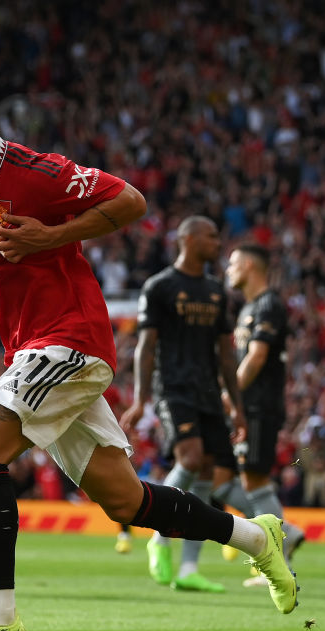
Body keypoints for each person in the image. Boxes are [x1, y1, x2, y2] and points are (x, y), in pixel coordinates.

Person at [0, 62, 298, 631]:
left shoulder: (34, 172)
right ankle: (255, 536)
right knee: (125, 500)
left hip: (71, 341)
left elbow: (130, 201)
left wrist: (49, 237)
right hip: (32, 348)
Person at [119, 216, 252, 594]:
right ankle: (160, 537)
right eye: (211, 236)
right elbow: (146, 346)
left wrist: (236, 405)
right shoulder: (160, 287)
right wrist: (142, 398)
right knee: (190, 460)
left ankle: (189, 568)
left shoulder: (216, 291)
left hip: (209, 391)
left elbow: (226, 355)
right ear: (188, 239)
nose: (217, 242)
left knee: (208, 473)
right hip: (174, 389)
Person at [225, 243, 306, 586]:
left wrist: (231, 395)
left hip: (259, 405)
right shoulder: (249, 307)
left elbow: (257, 357)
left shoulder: (269, 305)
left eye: (232, 264)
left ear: (247, 265)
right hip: (250, 405)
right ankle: (284, 537)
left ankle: (280, 560)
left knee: (255, 480)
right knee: (244, 479)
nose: (228, 270)